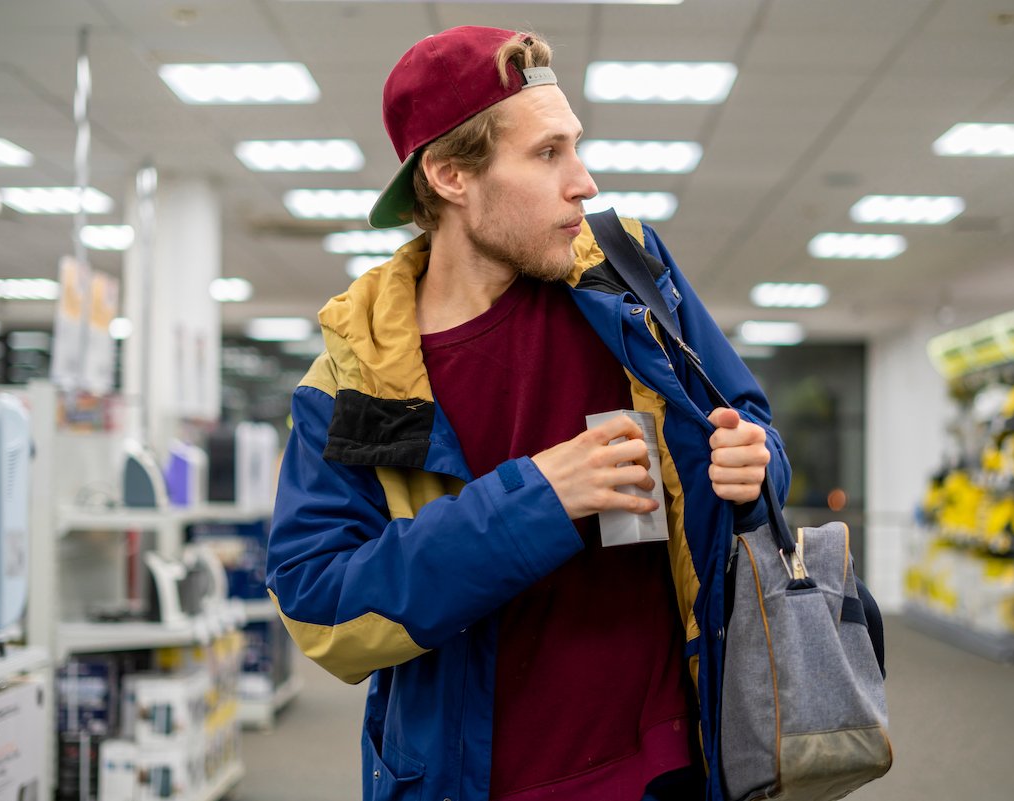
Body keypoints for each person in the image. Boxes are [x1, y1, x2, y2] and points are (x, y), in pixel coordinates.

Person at [266, 26, 791, 801]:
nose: (584, 181)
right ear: (449, 175)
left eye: (575, 147)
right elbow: (321, 605)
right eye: (548, 154)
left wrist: (756, 459)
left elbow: (743, 415)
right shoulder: (358, 374)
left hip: (668, 764)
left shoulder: (630, 281)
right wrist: (538, 500)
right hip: (471, 778)